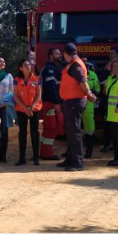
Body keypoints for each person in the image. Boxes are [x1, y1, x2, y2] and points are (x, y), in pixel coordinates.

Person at [58, 43, 96, 172]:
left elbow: (82, 82)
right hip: (72, 101)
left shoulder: (75, 66)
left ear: (65, 54)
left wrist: (89, 93)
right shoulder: (74, 64)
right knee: (70, 131)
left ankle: (78, 162)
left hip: (74, 101)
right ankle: (70, 158)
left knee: (74, 132)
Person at [14, 59, 42, 166]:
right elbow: (16, 96)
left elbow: (39, 95)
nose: (28, 66)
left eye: (29, 64)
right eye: (25, 65)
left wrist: (31, 107)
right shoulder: (16, 80)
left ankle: (36, 158)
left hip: (34, 109)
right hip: (22, 110)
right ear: (20, 68)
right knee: (22, 133)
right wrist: (26, 108)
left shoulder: (37, 79)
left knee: (35, 133)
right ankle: (22, 158)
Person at [39, 48, 64, 161]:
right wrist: (57, 102)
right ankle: (47, 154)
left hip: (50, 102)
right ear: (50, 56)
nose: (59, 55)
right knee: (52, 128)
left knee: (47, 128)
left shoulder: (54, 68)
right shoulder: (49, 69)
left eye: (60, 53)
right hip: (50, 103)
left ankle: (44, 152)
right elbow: (51, 87)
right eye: (57, 53)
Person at [83, 60, 101, 159]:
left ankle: (89, 151)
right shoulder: (76, 73)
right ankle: (70, 151)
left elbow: (97, 88)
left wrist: (92, 92)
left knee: (89, 128)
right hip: (77, 102)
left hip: (89, 104)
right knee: (73, 128)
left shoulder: (93, 75)